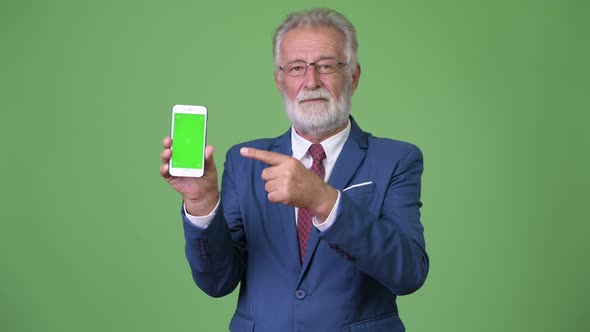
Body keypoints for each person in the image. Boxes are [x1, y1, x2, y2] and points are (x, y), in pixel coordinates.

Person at [160, 8, 428, 332]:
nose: (311, 81)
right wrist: (201, 205)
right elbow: (217, 282)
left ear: (353, 76)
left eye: (327, 66)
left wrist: (325, 201)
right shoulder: (244, 162)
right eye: (297, 68)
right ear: (279, 80)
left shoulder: (396, 160)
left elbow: (409, 272)